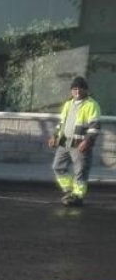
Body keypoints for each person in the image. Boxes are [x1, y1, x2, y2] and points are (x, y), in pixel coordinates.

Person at [48, 76, 102, 206]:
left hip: (80, 145)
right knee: (57, 166)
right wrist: (54, 136)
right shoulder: (68, 104)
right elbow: (61, 123)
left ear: (85, 90)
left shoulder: (91, 105)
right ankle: (70, 190)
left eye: (80, 89)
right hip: (64, 142)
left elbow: (95, 126)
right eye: (75, 89)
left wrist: (87, 141)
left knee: (80, 171)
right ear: (71, 91)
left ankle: (78, 196)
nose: (77, 92)